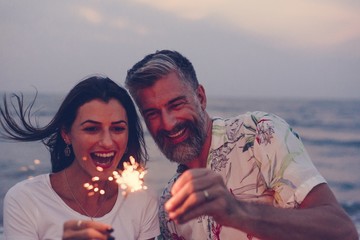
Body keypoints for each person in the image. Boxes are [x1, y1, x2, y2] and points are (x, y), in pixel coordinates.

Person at [125, 50, 359, 240]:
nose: (168, 123)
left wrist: (237, 212)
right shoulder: (169, 205)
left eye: (176, 104)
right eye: (152, 113)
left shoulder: (258, 133)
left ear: (201, 97)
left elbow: (342, 231)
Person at [1, 76, 160, 240]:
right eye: (91, 129)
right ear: (66, 134)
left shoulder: (143, 201)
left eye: (118, 129)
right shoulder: (25, 200)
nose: (107, 142)